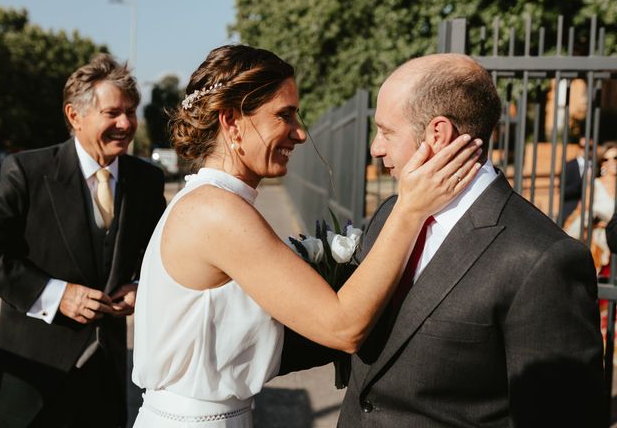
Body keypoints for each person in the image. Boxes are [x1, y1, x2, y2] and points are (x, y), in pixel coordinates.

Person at [131, 44, 482, 427]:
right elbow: (342, 326)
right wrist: (410, 207)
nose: (299, 133)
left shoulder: (214, 202)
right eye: (284, 115)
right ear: (231, 121)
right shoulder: (216, 212)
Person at [280, 53, 604, 427]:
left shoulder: (541, 259)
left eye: (386, 131)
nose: (375, 148)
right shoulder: (390, 214)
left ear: (437, 134)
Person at [0, 54, 167, 427]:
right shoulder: (28, 173)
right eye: (113, 113)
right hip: (33, 377)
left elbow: (163, 260)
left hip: (108, 375)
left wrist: (142, 289)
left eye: (131, 111)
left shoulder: (147, 180)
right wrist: (54, 294)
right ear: (74, 116)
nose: (126, 124)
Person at [565, 141, 617, 273]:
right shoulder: (595, 185)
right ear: (602, 163)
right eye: (606, 158)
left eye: (615, 158)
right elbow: (583, 215)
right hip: (599, 244)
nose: (612, 162)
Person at [562, 136, 591, 223]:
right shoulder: (569, 166)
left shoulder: (597, 165)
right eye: (582, 147)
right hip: (571, 206)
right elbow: (564, 191)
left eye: (589, 147)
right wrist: (582, 182)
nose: (585, 150)